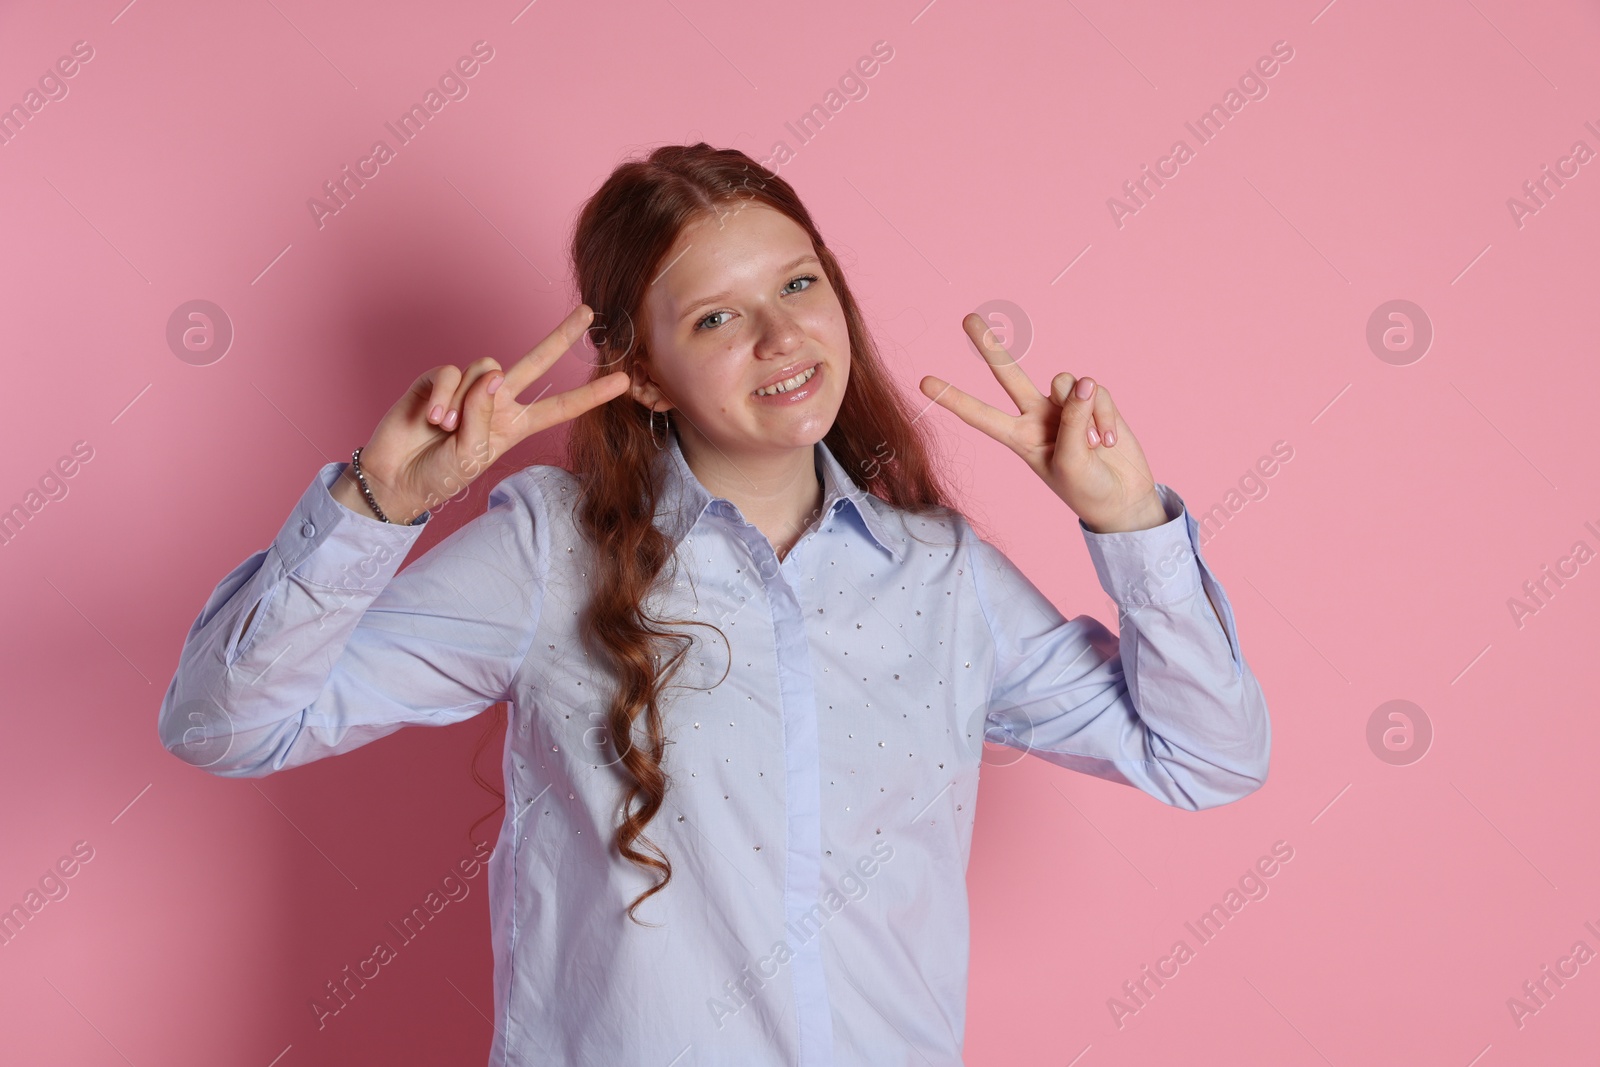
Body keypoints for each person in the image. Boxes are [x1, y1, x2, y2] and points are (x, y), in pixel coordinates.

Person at [158, 143, 1270, 1067]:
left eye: (797, 285)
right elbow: (226, 724)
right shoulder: (550, 549)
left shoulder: (941, 575)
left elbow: (1205, 755)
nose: (783, 339)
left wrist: (1129, 524)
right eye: (714, 319)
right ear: (640, 371)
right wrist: (373, 505)